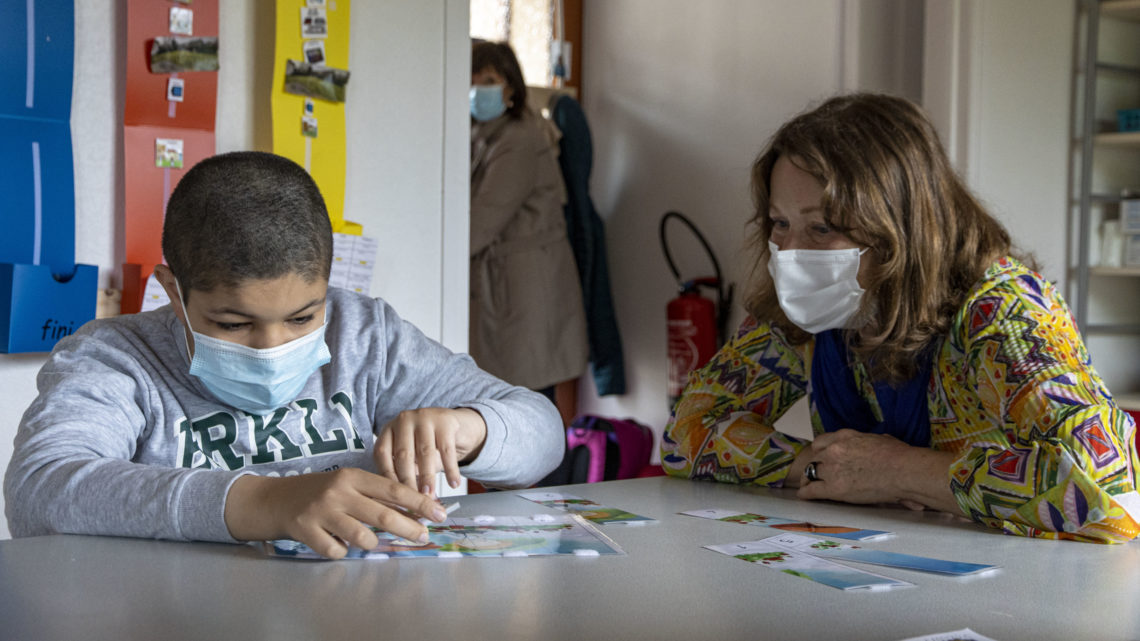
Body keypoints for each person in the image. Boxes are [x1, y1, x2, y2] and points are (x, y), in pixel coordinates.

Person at [4, 151, 564, 559]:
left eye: (302, 317)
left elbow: (544, 433)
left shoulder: (365, 333)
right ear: (173, 292)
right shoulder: (114, 358)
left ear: (327, 284)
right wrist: (264, 503)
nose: (273, 348)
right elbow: (40, 489)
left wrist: (473, 428)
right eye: (233, 322)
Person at [661, 93, 1140, 543]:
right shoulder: (806, 311)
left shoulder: (1005, 314)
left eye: (821, 228)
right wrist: (819, 466)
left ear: (897, 229)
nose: (788, 254)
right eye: (780, 224)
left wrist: (903, 472)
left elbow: (1112, 491)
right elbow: (688, 433)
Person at [468, 40, 588, 425]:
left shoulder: (519, 138)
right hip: (512, 286)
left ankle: (543, 488)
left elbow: (479, 224)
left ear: (510, 89)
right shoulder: (485, 132)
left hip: (525, 289)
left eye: (487, 79)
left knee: (526, 410)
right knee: (515, 404)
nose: (477, 88)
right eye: (470, 79)